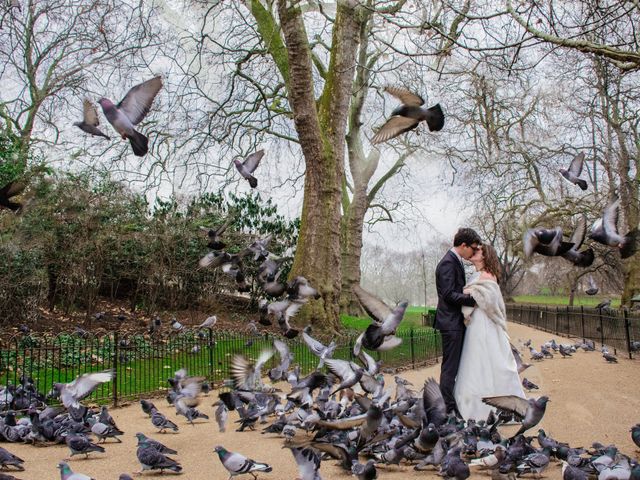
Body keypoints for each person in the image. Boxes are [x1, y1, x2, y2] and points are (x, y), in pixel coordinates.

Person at [453, 244, 526, 421]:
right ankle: (475, 405)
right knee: (476, 363)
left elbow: (490, 302)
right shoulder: (476, 275)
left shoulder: (487, 276)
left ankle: (489, 408)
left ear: (485, 257)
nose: (473, 252)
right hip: (475, 324)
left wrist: (470, 293)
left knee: (486, 363)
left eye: (477, 251)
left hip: (484, 324)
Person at [434, 227, 482, 416]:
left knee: (453, 366)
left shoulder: (455, 260)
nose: (473, 252)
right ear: (463, 245)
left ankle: (450, 402)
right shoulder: (448, 262)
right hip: (450, 323)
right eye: (472, 248)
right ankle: (447, 407)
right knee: (450, 368)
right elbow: (448, 294)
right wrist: (473, 299)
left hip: (454, 322)